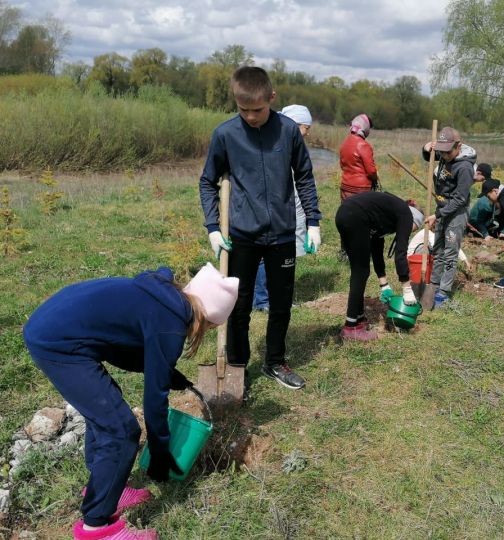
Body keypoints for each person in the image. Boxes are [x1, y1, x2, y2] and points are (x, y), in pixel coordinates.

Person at [23, 264, 239, 540]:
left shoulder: (162, 296)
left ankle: (104, 487)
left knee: (105, 411)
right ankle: (96, 528)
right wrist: (161, 451)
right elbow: (154, 399)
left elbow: (121, 346)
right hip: (57, 342)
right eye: (210, 326)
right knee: (121, 430)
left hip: (53, 324)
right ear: (209, 318)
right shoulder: (171, 324)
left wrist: (170, 375)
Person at [199, 66, 321, 391]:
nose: (251, 117)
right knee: (238, 308)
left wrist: (312, 221)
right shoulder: (226, 134)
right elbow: (207, 181)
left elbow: (305, 177)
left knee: (281, 304)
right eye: (244, 110)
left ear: (272, 98)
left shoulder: (288, 131)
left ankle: (275, 361)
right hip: (242, 235)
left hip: (281, 234)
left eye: (258, 109)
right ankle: (239, 366)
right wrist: (213, 227)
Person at [335, 192, 423, 341]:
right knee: (360, 271)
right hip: (355, 216)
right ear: (414, 219)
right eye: (413, 228)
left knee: (360, 270)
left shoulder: (385, 215)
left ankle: (359, 318)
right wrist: (407, 289)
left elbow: (377, 251)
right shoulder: (405, 214)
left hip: (344, 213)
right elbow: (400, 254)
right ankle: (350, 327)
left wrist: (384, 284)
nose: (409, 230)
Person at [253, 104, 315, 312]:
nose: (308, 132)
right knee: (266, 253)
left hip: (285, 208)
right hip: (273, 209)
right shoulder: (278, 145)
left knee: (276, 254)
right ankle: (263, 300)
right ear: (296, 125)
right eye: (306, 126)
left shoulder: (288, 143)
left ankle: (272, 298)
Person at [422, 127, 476, 308]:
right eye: (441, 152)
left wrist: (436, 214)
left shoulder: (465, 167)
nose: (443, 156)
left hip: (456, 213)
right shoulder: (446, 154)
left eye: (447, 152)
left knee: (450, 253)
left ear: (458, 146)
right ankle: (434, 285)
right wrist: (426, 147)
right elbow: (428, 157)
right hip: (442, 209)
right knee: (437, 249)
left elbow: (460, 199)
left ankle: (443, 292)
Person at [339, 113, 379, 201]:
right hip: (361, 189)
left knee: (347, 212)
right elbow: (371, 171)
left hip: (345, 187)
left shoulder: (344, 143)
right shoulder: (364, 145)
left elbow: (342, 165)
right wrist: (376, 178)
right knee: (362, 214)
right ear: (365, 128)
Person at [468, 163, 504, 238]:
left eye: (488, 196)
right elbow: (477, 221)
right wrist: (486, 234)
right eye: (487, 196)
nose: (487, 198)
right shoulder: (485, 204)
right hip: (477, 222)